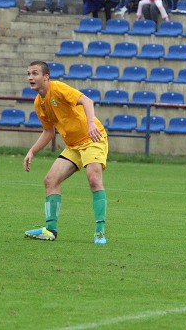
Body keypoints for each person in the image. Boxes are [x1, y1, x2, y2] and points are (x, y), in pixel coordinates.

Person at [23, 61, 108, 245]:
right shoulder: (39, 103)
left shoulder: (59, 88)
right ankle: (50, 230)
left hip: (92, 138)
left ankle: (100, 232)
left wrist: (91, 123)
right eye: (29, 73)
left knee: (94, 179)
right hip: (73, 146)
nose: (30, 77)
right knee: (50, 180)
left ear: (46, 76)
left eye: (35, 73)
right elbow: (49, 132)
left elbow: (87, 100)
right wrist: (32, 151)